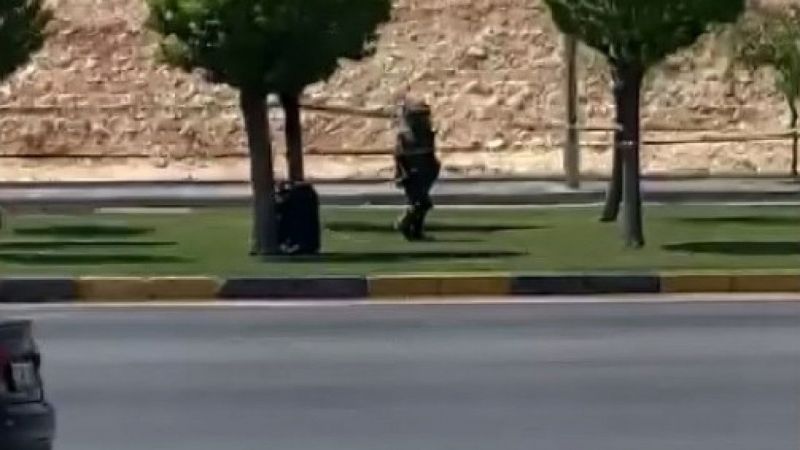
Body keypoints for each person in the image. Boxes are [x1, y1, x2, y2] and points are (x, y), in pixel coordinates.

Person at [393, 98, 441, 241]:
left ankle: (416, 231)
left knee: (421, 204)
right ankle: (404, 222)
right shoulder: (405, 135)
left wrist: (434, 167)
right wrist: (401, 173)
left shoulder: (427, 133)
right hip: (412, 173)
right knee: (421, 203)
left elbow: (430, 154)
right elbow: (399, 156)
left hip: (426, 172)